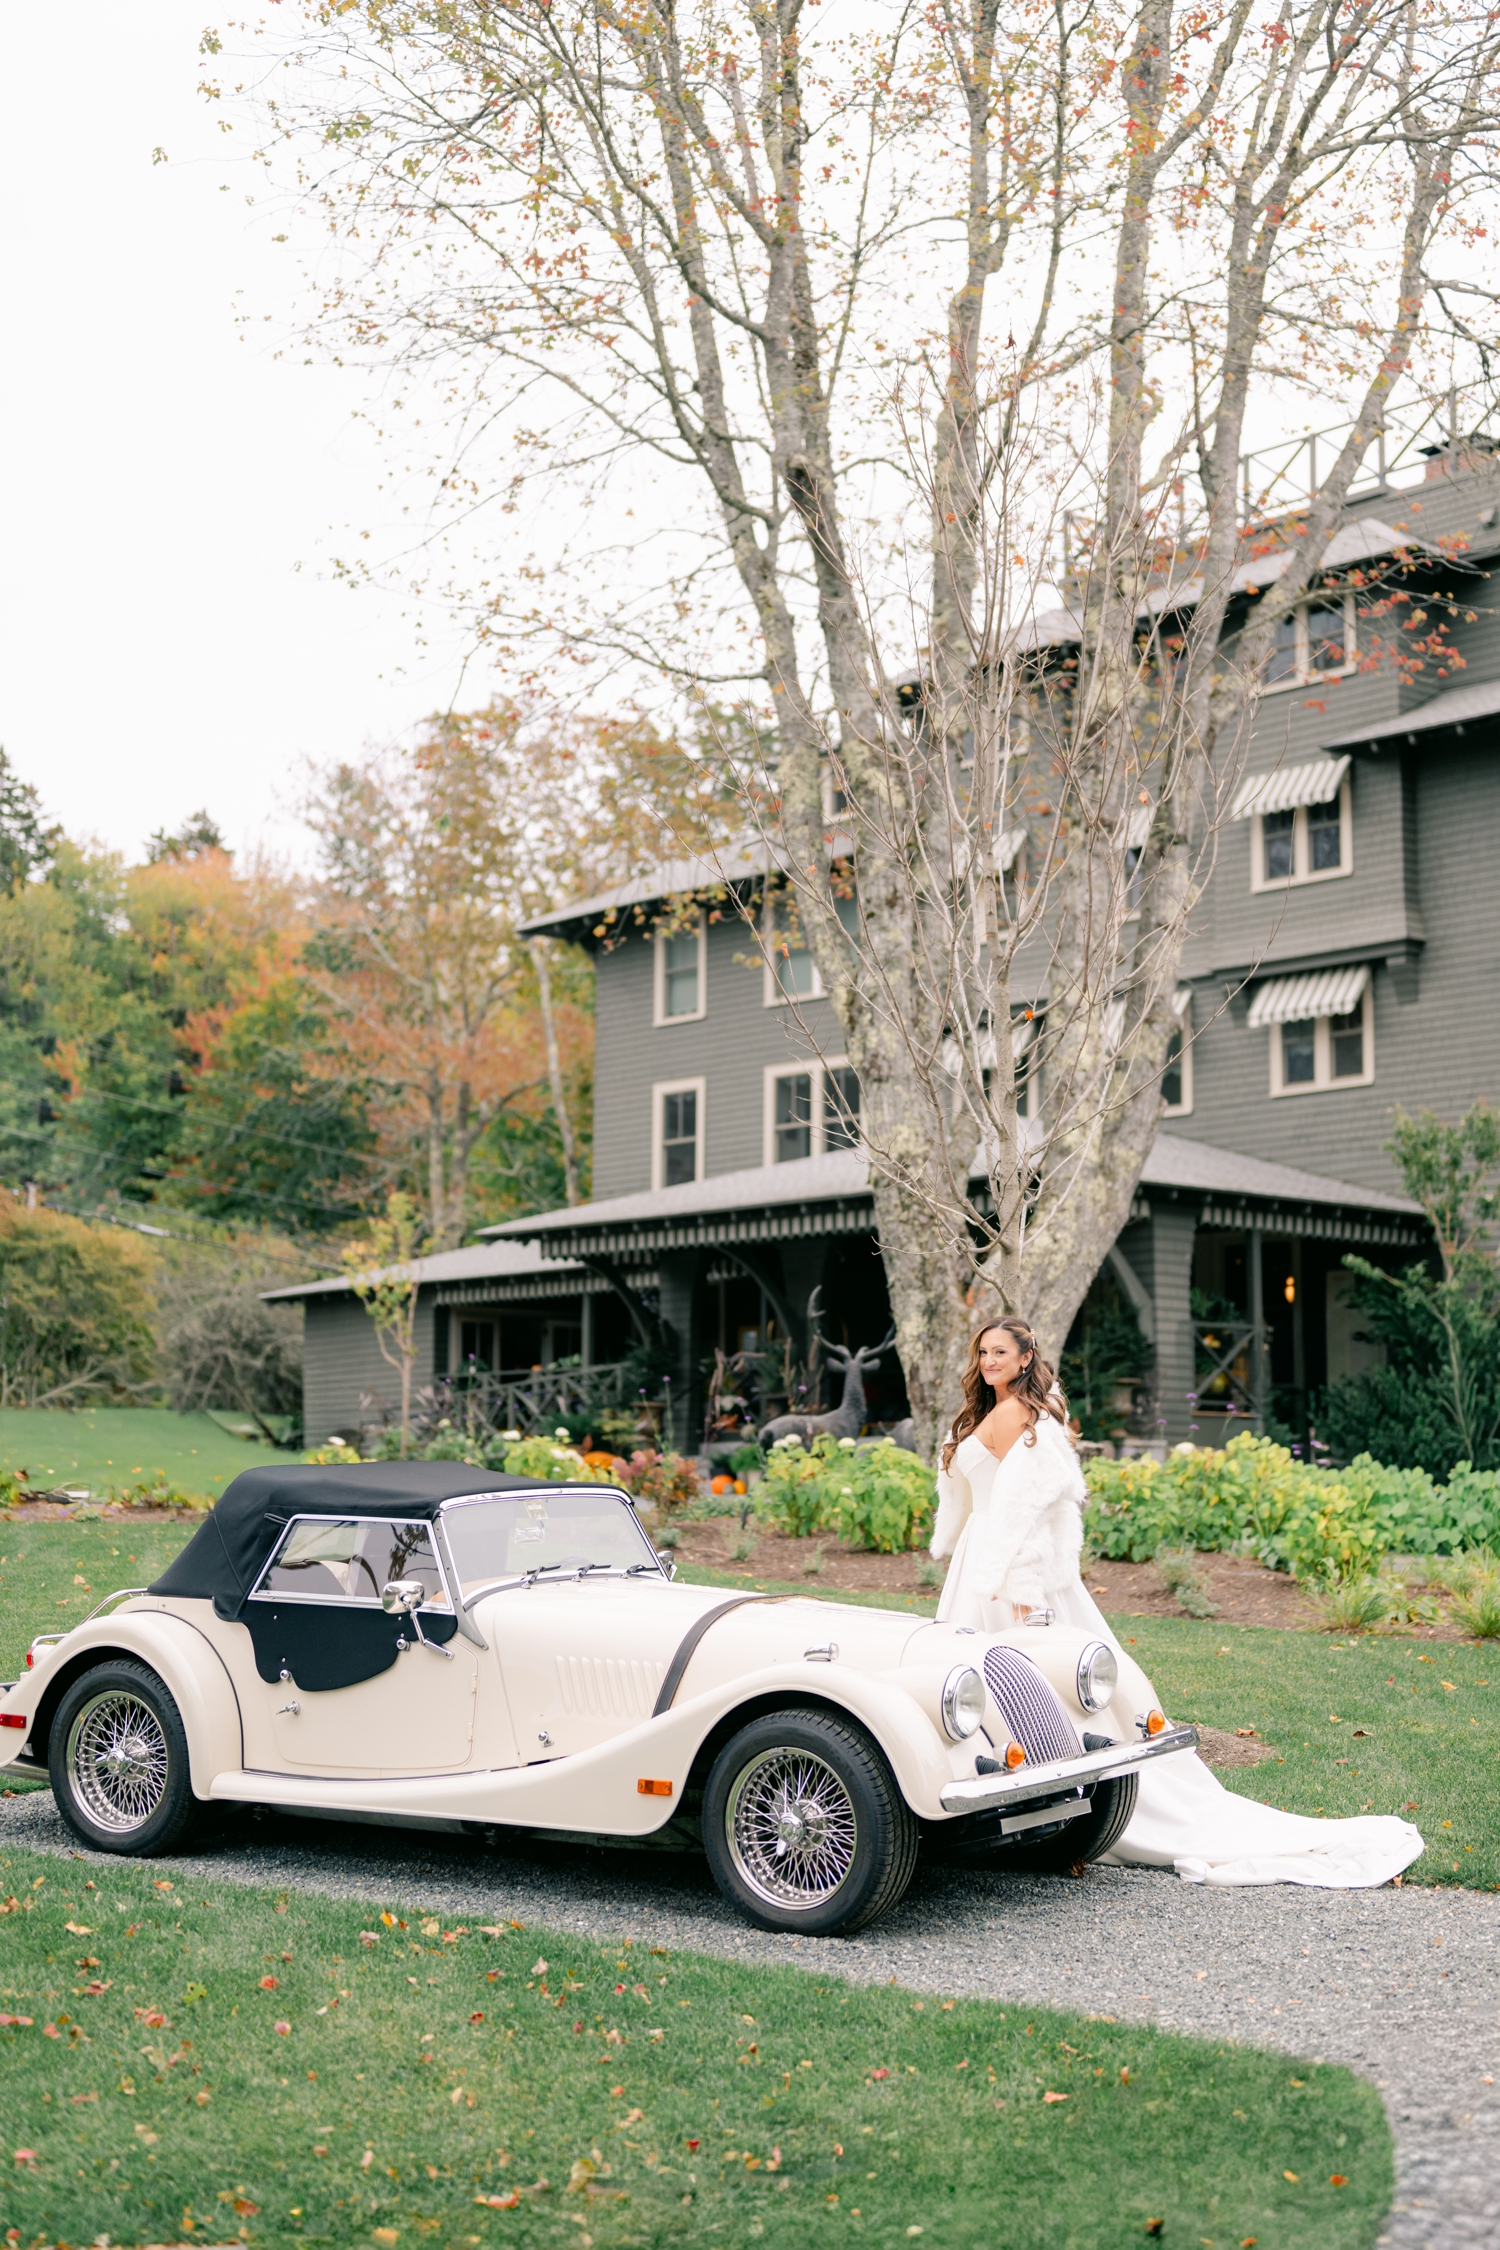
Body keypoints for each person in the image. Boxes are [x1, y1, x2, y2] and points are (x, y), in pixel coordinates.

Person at [931, 1316, 1424, 1889]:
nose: (989, 1360)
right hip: (980, 1557)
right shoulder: (1001, 1410)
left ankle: (1050, 1791)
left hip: (1008, 1569)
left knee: (1026, 1681)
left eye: (1000, 1352)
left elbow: (1033, 1511)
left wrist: (1021, 1592)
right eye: (983, 1351)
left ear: (1024, 1359)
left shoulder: (1020, 1414)